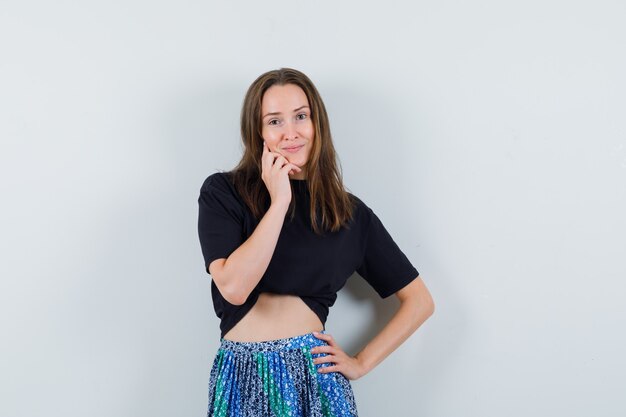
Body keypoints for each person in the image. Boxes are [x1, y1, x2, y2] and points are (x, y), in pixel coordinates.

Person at [197, 67, 435, 417]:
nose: (290, 132)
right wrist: (279, 202)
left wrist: (360, 363)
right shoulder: (224, 193)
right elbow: (234, 287)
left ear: (316, 123)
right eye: (274, 121)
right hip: (240, 375)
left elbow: (419, 302)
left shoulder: (348, 212)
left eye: (301, 116)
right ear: (258, 131)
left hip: (314, 377)